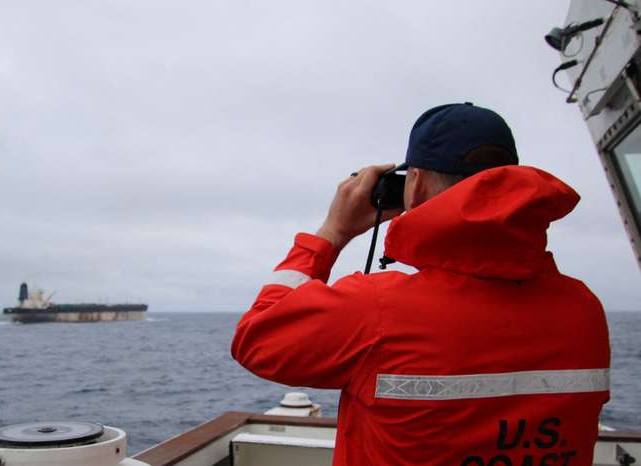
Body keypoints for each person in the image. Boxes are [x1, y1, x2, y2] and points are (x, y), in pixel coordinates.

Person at [231, 103, 610, 466]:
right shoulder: (584, 310)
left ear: (416, 184)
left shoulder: (377, 310)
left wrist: (332, 232)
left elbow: (256, 337)